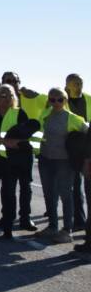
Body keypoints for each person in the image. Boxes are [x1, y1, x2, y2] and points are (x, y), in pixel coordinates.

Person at [34, 88, 88, 244]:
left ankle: (67, 230)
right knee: (49, 194)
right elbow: (39, 134)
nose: (56, 103)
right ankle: (52, 226)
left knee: (66, 194)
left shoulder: (73, 118)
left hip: (64, 162)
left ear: (65, 101)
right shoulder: (45, 115)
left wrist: (82, 155)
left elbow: (87, 133)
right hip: (45, 159)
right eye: (52, 99)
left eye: (59, 99)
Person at [0, 84, 32, 240]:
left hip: (12, 161)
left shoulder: (20, 113)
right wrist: (5, 141)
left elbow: (25, 133)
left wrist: (12, 142)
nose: (6, 98)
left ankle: (8, 228)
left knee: (9, 194)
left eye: (10, 96)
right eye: (3, 95)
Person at [0, 71, 42, 232]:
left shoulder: (30, 99)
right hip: (6, 151)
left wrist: (35, 94)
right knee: (7, 188)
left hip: (26, 151)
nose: (11, 83)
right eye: (7, 80)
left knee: (26, 187)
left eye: (14, 80)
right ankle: (7, 218)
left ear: (19, 82)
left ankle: (25, 218)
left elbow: (52, 101)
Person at [64, 73, 90, 231]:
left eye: (80, 82)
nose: (78, 86)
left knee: (87, 186)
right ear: (67, 86)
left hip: (88, 146)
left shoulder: (89, 99)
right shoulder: (61, 100)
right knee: (74, 185)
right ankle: (79, 220)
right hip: (70, 148)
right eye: (74, 83)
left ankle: (84, 222)